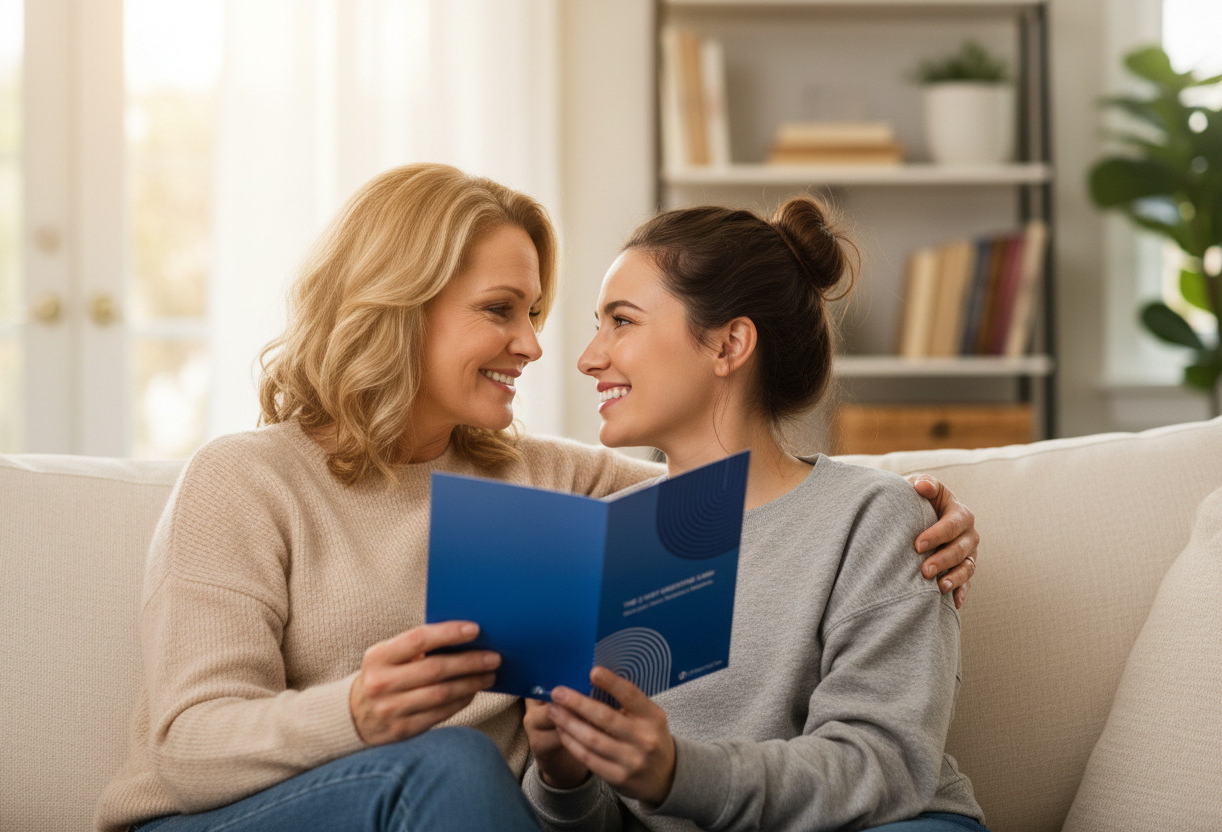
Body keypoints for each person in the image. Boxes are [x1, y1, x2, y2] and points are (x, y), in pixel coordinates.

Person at [95, 164, 979, 832]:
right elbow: (185, 746)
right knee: (452, 764)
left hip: (458, 811)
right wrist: (357, 710)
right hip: (232, 813)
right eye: (502, 310)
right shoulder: (246, 480)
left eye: (542, 314)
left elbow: (749, 498)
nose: (539, 346)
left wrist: (919, 510)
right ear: (400, 307)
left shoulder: (558, 485)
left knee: (461, 772)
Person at [522, 196, 988, 831]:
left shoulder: (875, 520)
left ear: (730, 344)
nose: (588, 357)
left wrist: (678, 773)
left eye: (622, 322)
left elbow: (884, 766)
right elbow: (615, 817)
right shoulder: (607, 540)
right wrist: (564, 775)